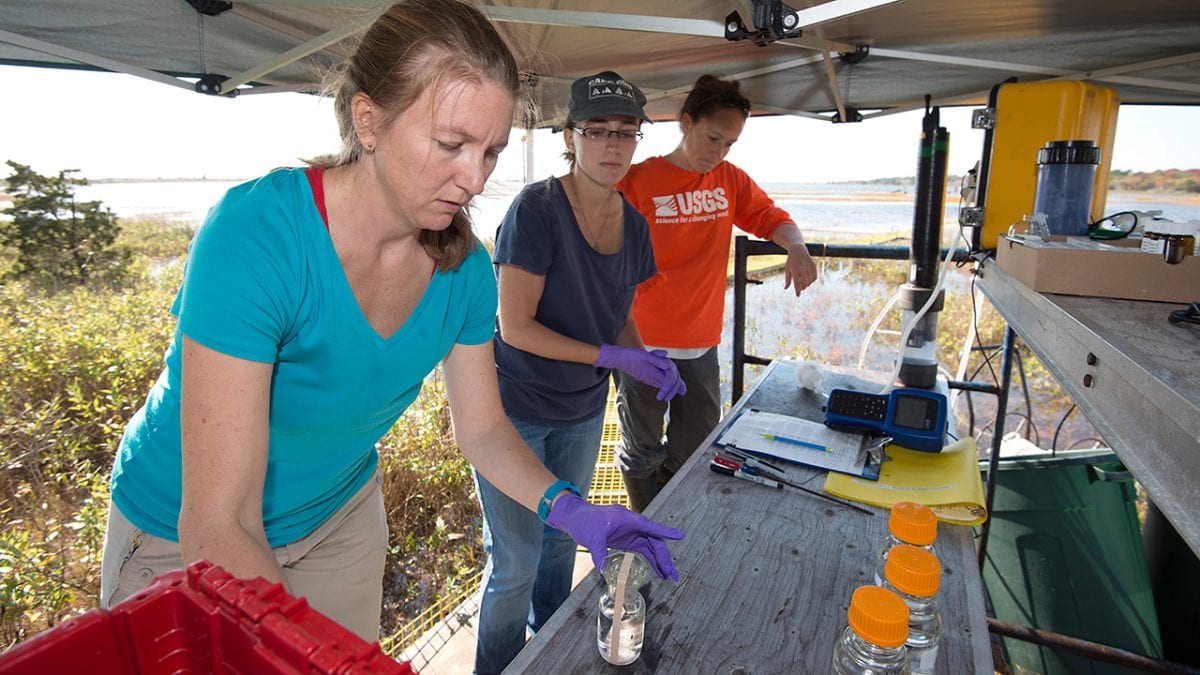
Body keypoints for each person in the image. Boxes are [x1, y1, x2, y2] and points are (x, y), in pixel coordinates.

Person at [97, 0, 684, 644]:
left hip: (338, 515)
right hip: (180, 526)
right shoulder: (260, 236)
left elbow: (485, 429)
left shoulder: (463, 270)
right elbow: (219, 520)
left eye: (490, 151)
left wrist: (570, 510)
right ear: (368, 120)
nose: (474, 178)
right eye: (450, 144)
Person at [476, 71, 685, 673]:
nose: (612, 146)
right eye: (596, 131)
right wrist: (610, 358)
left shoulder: (636, 226)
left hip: (582, 411)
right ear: (570, 135)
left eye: (625, 132)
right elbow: (514, 326)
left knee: (562, 545)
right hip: (513, 410)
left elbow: (614, 316)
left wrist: (640, 359)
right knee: (514, 563)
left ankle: (548, 655)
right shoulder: (536, 210)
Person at [614, 74, 819, 511]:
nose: (718, 152)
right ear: (686, 122)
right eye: (712, 138)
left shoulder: (729, 181)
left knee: (695, 448)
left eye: (728, 143)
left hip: (700, 344)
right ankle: (643, 524)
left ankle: (674, 515)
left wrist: (796, 245)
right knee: (641, 448)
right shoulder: (636, 181)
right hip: (643, 341)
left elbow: (768, 217)